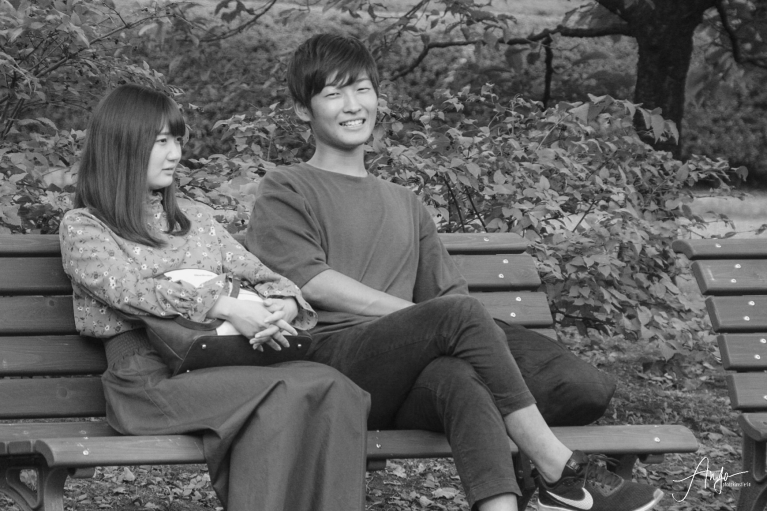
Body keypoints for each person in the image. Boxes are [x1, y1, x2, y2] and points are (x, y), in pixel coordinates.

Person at [246, 33, 664, 511]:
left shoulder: (405, 202)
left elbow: (448, 297)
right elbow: (311, 281)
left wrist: (435, 325)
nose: (353, 105)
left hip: (411, 379)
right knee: (457, 317)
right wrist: (420, 319)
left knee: (554, 384)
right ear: (304, 110)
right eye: (333, 93)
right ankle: (560, 470)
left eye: (362, 89)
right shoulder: (286, 186)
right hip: (331, 363)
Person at [59, 84, 371, 511]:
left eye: (178, 140)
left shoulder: (196, 220)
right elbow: (127, 290)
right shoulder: (85, 226)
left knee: (337, 387)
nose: (175, 154)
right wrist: (223, 304)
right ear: (122, 145)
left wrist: (284, 304)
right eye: (161, 141)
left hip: (222, 364)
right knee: (286, 392)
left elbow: (267, 277)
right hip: (148, 383)